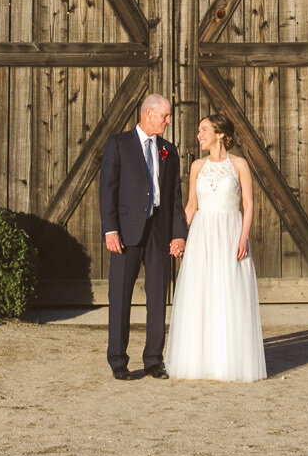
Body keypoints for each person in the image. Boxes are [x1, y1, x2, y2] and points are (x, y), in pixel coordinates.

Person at [162, 115, 268, 383]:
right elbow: (191, 205)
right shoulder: (197, 166)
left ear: (220, 134)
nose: (199, 135)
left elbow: (249, 204)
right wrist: (178, 237)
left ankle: (228, 360)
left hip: (230, 232)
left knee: (228, 292)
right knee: (202, 292)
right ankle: (200, 358)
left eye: (204, 130)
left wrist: (243, 238)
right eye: (199, 131)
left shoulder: (239, 164)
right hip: (202, 235)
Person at [97, 93, 186, 380]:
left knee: (158, 296)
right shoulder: (118, 145)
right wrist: (110, 229)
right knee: (120, 295)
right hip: (125, 231)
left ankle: (153, 359)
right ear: (148, 114)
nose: (168, 121)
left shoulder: (168, 151)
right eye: (165, 116)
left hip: (159, 231)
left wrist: (178, 234)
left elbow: (174, 197)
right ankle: (118, 360)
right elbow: (107, 189)